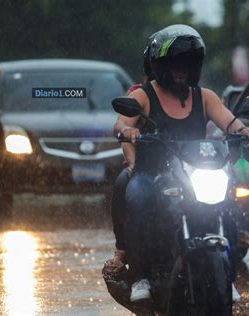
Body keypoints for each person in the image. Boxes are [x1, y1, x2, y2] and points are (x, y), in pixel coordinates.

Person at [113, 24, 249, 303]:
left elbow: (230, 121)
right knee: (137, 196)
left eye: (187, 63)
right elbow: (121, 123)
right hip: (153, 173)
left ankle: (225, 276)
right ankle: (140, 276)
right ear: (160, 66)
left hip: (196, 172)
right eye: (174, 64)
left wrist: (245, 131)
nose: (181, 69)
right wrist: (128, 130)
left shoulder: (204, 96)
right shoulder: (143, 96)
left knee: (227, 204)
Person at [103, 34, 156, 276]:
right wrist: (135, 164)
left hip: (181, 167)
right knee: (123, 183)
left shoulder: (195, 95)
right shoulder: (138, 94)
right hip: (145, 165)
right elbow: (124, 132)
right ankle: (123, 248)